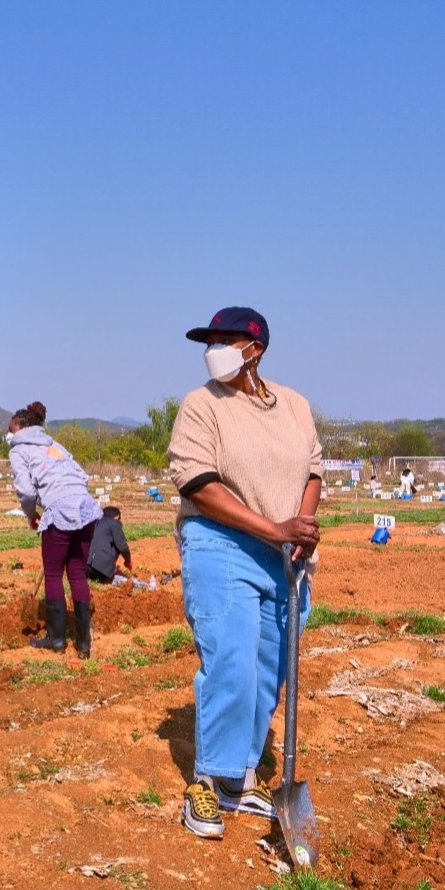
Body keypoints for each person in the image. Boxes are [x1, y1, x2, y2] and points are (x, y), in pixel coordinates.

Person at [168, 306, 322, 841]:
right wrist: (271, 528)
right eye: (209, 342)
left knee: (267, 667)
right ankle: (207, 782)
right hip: (221, 541)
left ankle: (238, 778)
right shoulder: (201, 406)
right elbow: (196, 482)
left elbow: (313, 470)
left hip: (284, 553)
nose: (214, 349)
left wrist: (299, 527)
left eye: (225, 340)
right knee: (231, 655)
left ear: (254, 347)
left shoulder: (295, 406)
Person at [8, 401, 102, 658]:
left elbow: (26, 491)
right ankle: (83, 643)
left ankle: (56, 639)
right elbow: (82, 476)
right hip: (85, 506)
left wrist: (32, 514)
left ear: (18, 429)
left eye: (10, 430)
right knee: (77, 573)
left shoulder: (18, 450)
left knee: (52, 574)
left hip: (59, 508)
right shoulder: (55, 445)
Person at [87, 506, 133, 584]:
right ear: (117, 516)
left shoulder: (95, 523)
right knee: (122, 580)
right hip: (101, 570)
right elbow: (122, 547)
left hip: (85, 568)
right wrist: (128, 561)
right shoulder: (114, 523)